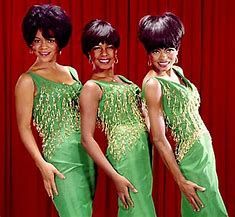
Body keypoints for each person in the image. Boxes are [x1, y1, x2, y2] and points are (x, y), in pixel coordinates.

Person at [138, 12, 228, 216]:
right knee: (205, 210)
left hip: (204, 150)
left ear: (177, 49)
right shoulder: (153, 84)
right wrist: (181, 181)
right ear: (148, 53)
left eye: (169, 50)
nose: (163, 57)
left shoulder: (177, 71)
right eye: (156, 51)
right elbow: (159, 138)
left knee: (211, 207)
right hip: (191, 156)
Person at [15, 4, 95, 217]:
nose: (43, 46)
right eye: (37, 40)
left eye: (49, 39)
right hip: (60, 160)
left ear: (60, 40)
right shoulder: (27, 81)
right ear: (30, 43)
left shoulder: (72, 72)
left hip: (86, 153)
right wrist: (42, 164)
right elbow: (23, 128)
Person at [80, 19, 156, 217]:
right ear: (89, 54)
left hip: (143, 150)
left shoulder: (124, 80)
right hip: (124, 152)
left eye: (109, 47)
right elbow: (87, 139)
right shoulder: (91, 88)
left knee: (143, 206)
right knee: (136, 209)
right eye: (97, 48)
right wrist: (115, 176)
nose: (104, 53)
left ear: (116, 52)